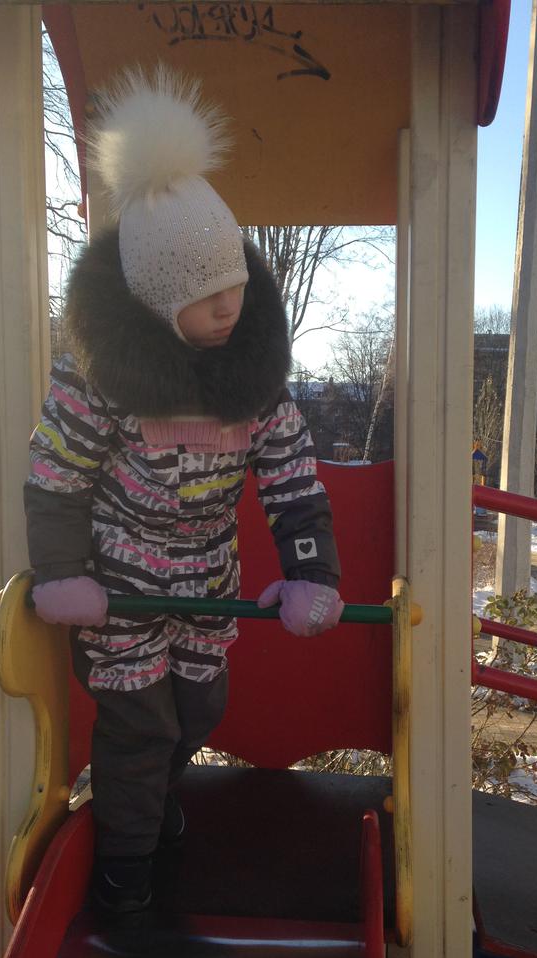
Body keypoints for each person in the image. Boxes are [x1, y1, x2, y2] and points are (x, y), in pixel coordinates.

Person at [24, 68, 344, 915]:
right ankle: (124, 870)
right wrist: (62, 574)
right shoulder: (102, 380)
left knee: (199, 710)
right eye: (206, 298)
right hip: (119, 592)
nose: (230, 309)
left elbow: (293, 479)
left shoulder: (254, 378)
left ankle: (150, 804)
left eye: (234, 284)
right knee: (140, 728)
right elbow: (56, 475)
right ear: (159, 302)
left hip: (206, 585)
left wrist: (313, 574)